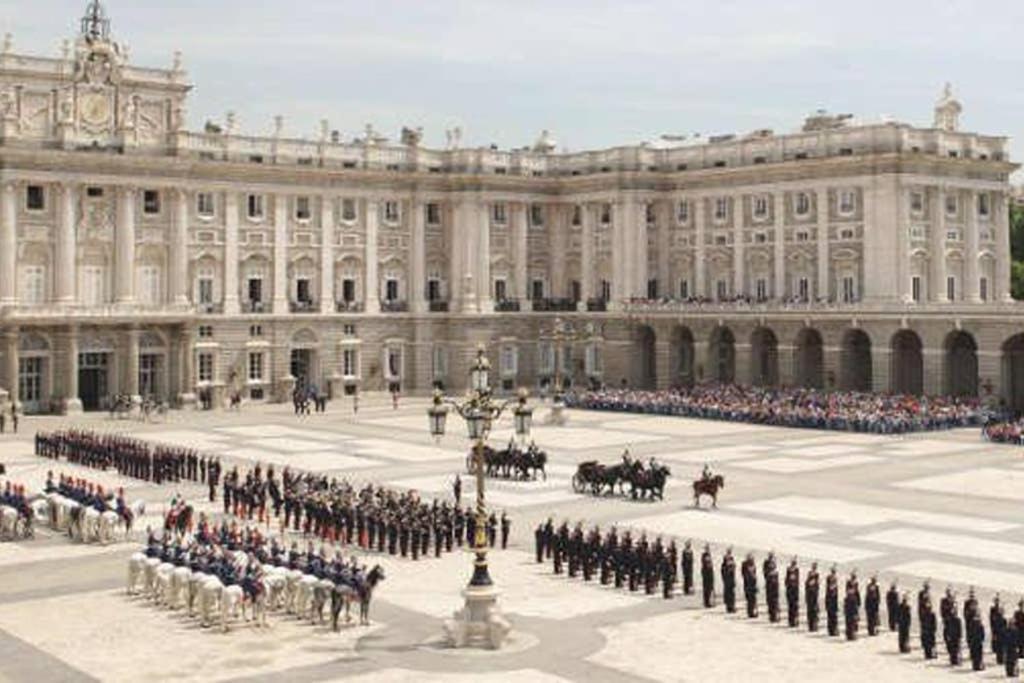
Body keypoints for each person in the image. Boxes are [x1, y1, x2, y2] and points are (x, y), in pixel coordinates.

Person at [992, 595, 1007, 666]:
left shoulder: (1004, 619)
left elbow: (1005, 628)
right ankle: (999, 659)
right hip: (998, 635)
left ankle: (1001, 659)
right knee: (999, 648)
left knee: (1002, 648)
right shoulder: (997, 618)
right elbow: (995, 627)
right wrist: (994, 634)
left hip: (1002, 635)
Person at [741, 552, 758, 618]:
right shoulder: (745, 565)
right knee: (749, 599)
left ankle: (754, 611)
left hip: (753, 584)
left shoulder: (753, 564)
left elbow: (754, 573)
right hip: (748, 584)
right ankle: (750, 612)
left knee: (754, 599)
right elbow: (744, 574)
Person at [805, 562, 820, 632]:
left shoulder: (816, 576)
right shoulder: (812, 576)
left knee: (813, 611)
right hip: (811, 596)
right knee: (812, 611)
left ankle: (813, 626)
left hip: (812, 596)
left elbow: (817, 586)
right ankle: (812, 626)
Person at [785, 558, 799, 627]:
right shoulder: (790, 570)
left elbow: (797, 581)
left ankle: (793, 621)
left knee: (793, 607)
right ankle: (791, 621)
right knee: (791, 607)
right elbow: (787, 581)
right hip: (791, 590)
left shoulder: (796, 570)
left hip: (793, 590)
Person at [721, 548, 736, 613]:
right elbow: (723, 572)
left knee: (732, 594)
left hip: (731, 580)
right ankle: (729, 607)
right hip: (727, 581)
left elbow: (733, 571)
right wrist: (725, 579)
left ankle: (732, 606)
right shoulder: (724, 565)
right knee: (728, 594)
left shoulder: (732, 560)